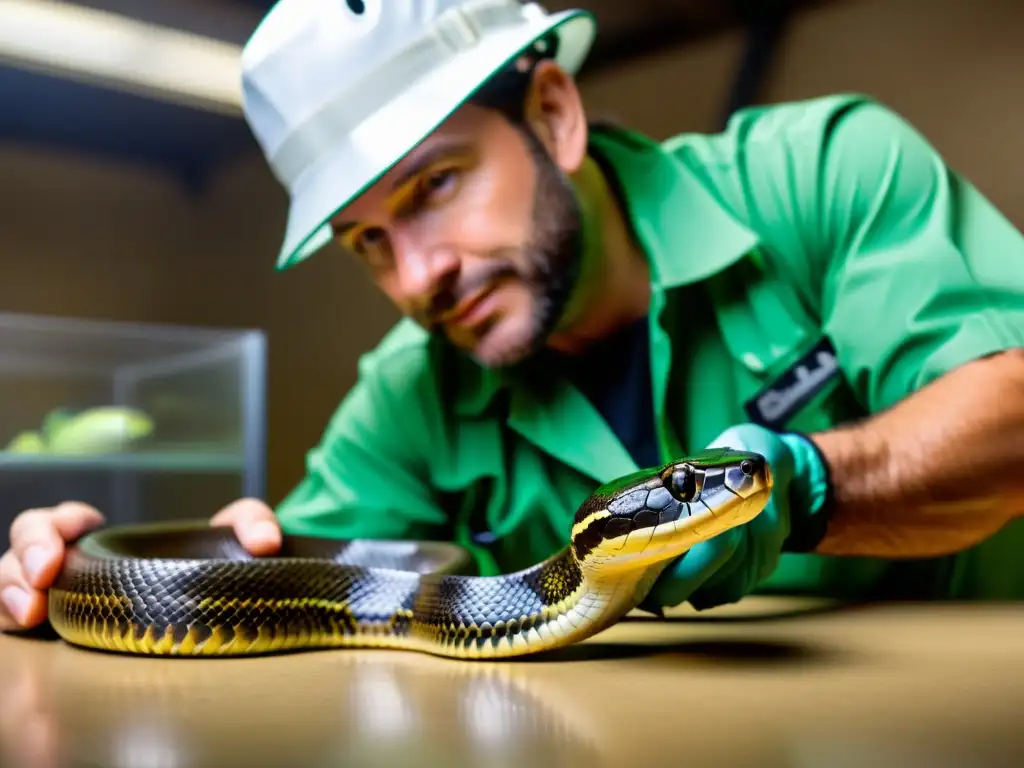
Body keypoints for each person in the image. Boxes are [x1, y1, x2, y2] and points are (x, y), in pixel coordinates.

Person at [3, 0, 1024, 635]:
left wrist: (807, 484)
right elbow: (292, 566)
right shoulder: (405, 394)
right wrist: (104, 573)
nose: (416, 279)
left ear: (552, 113)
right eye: (366, 242)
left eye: (434, 187)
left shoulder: (821, 174)